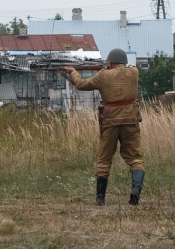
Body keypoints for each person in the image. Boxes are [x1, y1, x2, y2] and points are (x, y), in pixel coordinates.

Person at [61, 48, 145, 206]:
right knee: (135, 158)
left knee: (104, 159)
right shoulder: (134, 72)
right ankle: (135, 190)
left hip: (110, 121)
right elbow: (127, 70)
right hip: (130, 120)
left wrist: (73, 72)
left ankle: (100, 199)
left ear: (111, 62)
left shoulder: (103, 75)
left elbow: (81, 84)